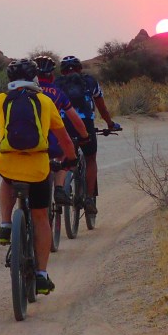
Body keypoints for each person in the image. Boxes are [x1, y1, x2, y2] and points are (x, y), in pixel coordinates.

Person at [0, 58, 77, 295]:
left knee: (6, 179)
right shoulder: (45, 101)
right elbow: (64, 139)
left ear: (10, 80)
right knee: (41, 217)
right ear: (33, 79)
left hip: (8, 164)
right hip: (38, 168)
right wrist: (69, 160)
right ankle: (41, 275)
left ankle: (5, 225)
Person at [54, 55, 121, 215]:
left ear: (62, 71)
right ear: (80, 69)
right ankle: (89, 198)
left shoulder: (57, 84)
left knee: (63, 156)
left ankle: (59, 188)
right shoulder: (90, 82)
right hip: (86, 124)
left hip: (64, 123)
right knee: (90, 159)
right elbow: (102, 108)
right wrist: (110, 124)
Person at [32, 55, 89, 206]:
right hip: (51, 142)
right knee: (64, 152)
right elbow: (75, 119)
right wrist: (84, 135)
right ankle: (58, 188)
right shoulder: (57, 93)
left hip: (28, 141)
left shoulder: (25, 92)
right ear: (51, 75)